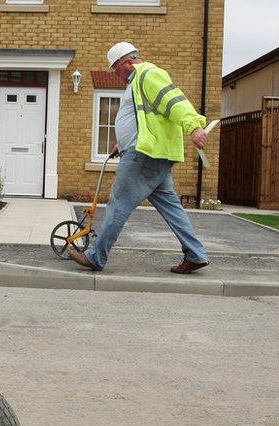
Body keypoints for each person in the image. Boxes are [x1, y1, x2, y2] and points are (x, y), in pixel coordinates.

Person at [69, 42, 210, 274]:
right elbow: (143, 119)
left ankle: (95, 257)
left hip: (143, 156)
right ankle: (195, 254)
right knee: (171, 207)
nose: (116, 74)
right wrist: (121, 144)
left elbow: (173, 100)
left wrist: (194, 126)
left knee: (119, 204)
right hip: (152, 154)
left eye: (116, 68)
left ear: (126, 62)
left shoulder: (147, 74)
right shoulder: (137, 83)